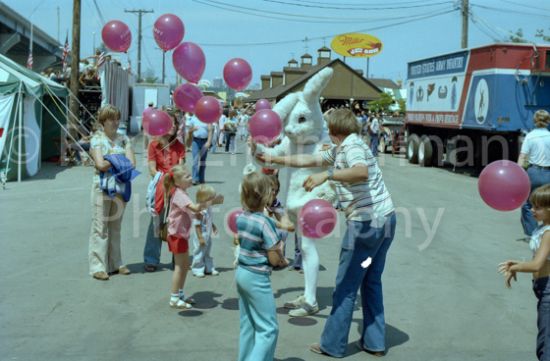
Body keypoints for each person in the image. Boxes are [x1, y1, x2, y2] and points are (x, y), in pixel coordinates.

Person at [258, 108, 396, 357]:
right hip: (384, 221)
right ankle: (375, 342)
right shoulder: (345, 147)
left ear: (333, 132)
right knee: (371, 280)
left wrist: (327, 175)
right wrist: (274, 159)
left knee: (346, 285)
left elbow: (360, 171)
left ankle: (333, 345)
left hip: (366, 226)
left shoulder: (351, 148)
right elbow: (310, 161)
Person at [235, 172, 288, 361]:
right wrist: (282, 259)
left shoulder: (241, 217)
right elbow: (274, 259)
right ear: (266, 196)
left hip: (241, 272)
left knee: (248, 323)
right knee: (268, 329)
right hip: (257, 277)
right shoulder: (265, 223)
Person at [499, 184, 550, 361]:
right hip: (542, 288)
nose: (532, 210)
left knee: (546, 344)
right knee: (544, 340)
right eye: (532, 206)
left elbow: (536, 265)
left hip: (548, 290)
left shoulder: (549, 233)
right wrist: (519, 263)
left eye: (538, 207)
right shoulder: (542, 228)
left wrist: (516, 267)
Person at [163, 165, 223, 309]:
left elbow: (191, 211)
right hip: (176, 235)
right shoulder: (179, 194)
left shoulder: (182, 192)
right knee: (179, 267)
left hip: (181, 235)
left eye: (190, 175)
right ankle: (174, 297)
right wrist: (213, 201)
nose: (191, 178)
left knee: (184, 266)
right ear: (177, 181)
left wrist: (197, 214)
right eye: (187, 177)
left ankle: (180, 294)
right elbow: (195, 208)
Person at [88, 105, 136, 281]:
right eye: (111, 119)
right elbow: (100, 164)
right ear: (103, 121)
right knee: (100, 227)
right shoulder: (97, 140)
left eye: (117, 118)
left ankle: (116, 263)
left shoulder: (124, 139)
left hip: (120, 186)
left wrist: (111, 159)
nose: (115, 122)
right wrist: (119, 159)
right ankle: (98, 267)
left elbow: (132, 162)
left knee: (116, 226)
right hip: (101, 186)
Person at [143, 115, 185, 272]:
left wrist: (175, 181)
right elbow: (152, 169)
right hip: (160, 187)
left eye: (175, 123)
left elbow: (181, 168)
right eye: (171, 123)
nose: (174, 126)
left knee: (177, 223)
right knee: (156, 223)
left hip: (176, 186)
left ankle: (178, 258)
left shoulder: (179, 146)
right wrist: (163, 179)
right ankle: (151, 258)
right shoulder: (154, 144)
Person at [518, 110, 550, 238]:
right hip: (549, 173)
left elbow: (522, 157)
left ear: (535, 121)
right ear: (548, 121)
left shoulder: (530, 136)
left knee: (528, 204)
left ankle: (532, 235)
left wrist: (518, 174)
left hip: (533, 173)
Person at [190, 185, 220, 278]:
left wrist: (213, 226)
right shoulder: (199, 211)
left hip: (207, 234)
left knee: (207, 251)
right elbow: (197, 225)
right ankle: (197, 269)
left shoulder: (208, 208)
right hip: (201, 234)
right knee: (199, 252)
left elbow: (208, 219)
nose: (214, 199)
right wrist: (200, 237)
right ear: (205, 199)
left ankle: (209, 268)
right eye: (212, 198)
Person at [187, 113, 213, 185]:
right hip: (195, 141)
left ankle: (201, 178)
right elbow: (189, 130)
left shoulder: (207, 119)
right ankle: (194, 178)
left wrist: (208, 142)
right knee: (195, 160)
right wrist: (193, 129)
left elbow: (210, 131)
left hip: (204, 141)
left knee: (203, 161)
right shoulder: (193, 119)